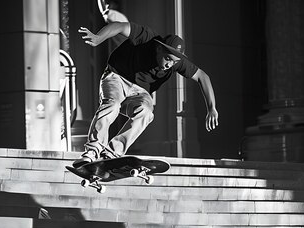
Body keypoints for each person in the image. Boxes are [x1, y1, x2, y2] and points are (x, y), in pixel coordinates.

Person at [73, 21, 218, 167]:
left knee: (146, 112)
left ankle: (112, 152)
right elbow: (120, 26)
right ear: (159, 48)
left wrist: (212, 108)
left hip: (139, 93)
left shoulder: (177, 63)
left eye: (174, 62)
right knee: (112, 105)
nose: (169, 65)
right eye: (167, 59)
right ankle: (92, 151)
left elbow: (202, 76)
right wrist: (99, 37)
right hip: (116, 77)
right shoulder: (147, 37)